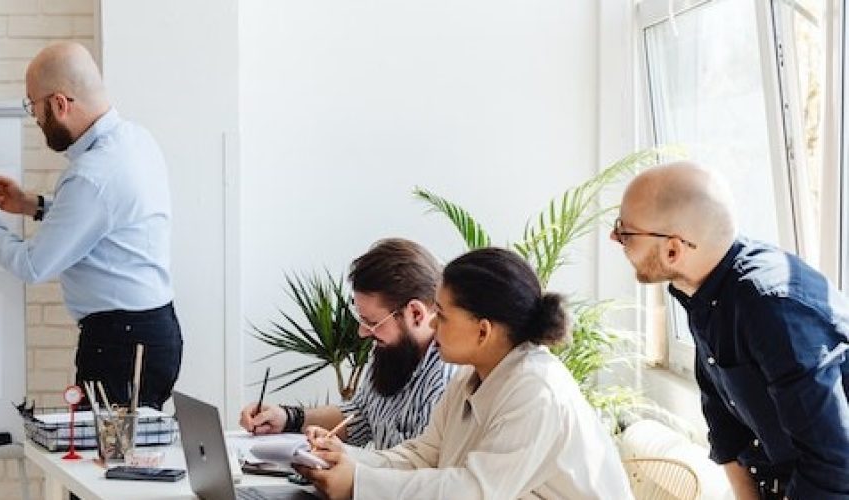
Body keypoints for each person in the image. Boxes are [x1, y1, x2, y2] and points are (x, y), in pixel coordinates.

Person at [297, 248, 632, 499]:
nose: (430, 323)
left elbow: (474, 491)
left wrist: (358, 482)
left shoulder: (536, 391)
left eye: (441, 315)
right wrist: (346, 458)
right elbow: (424, 456)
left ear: (483, 331)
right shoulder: (473, 376)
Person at [0, 41, 182, 410]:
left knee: (107, 464)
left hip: (120, 343)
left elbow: (33, 264)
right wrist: (32, 204)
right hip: (149, 332)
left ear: (59, 104)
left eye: (35, 107)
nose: (37, 119)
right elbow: (104, 222)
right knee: (123, 459)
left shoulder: (93, 175)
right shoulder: (136, 140)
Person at [611, 162, 849, 499]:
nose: (614, 238)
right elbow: (724, 419)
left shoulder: (769, 307)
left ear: (673, 250)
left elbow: (834, 465)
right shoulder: (701, 289)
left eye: (625, 232)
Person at [239, 238, 455, 450]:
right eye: (361, 320)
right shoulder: (391, 351)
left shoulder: (447, 381)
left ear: (416, 313)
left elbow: (420, 473)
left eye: (372, 322)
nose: (362, 333)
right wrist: (288, 418)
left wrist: (348, 467)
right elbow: (359, 415)